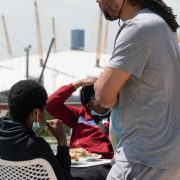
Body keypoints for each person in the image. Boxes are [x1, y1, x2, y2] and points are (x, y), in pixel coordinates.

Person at [93, 0, 180, 179]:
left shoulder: (138, 27)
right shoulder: (161, 24)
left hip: (141, 159)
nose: (97, 1)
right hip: (166, 158)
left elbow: (103, 95)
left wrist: (100, 83)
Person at [0, 80, 71, 180]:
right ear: (35, 113)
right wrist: (62, 141)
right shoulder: (38, 146)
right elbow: (64, 177)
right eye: (44, 109)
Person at [46, 77, 112, 180]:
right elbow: (51, 104)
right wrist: (77, 84)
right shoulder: (77, 115)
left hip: (104, 163)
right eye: (96, 97)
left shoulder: (118, 115)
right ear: (87, 101)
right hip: (78, 163)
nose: (103, 100)